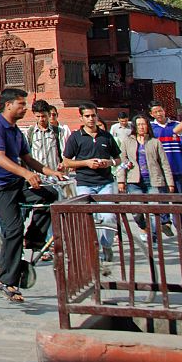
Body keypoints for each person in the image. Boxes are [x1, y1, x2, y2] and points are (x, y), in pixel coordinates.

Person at [0, 87, 64, 303]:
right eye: (21, 104)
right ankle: (6, 280)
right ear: (8, 105)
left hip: (14, 184)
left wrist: (50, 172)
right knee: (13, 228)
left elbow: (28, 158)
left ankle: (33, 238)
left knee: (49, 195)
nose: (25, 108)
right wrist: (26, 174)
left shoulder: (16, 131)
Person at [63, 103, 121, 255]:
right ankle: (92, 251)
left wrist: (109, 163)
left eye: (93, 115)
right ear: (81, 118)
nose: (91, 119)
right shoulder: (75, 137)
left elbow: (118, 159)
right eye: (87, 116)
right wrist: (86, 163)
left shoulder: (106, 136)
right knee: (87, 219)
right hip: (84, 184)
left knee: (108, 217)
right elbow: (67, 162)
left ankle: (106, 245)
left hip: (105, 183)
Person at [119, 114, 174, 236]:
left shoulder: (155, 142)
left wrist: (170, 183)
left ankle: (153, 237)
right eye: (138, 124)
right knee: (136, 210)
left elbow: (164, 163)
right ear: (134, 126)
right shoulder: (127, 142)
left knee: (154, 210)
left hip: (153, 180)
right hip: (134, 181)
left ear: (148, 126)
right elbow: (123, 162)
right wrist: (121, 181)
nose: (141, 127)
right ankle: (143, 226)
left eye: (143, 124)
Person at [149, 103, 182, 233]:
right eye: (155, 112)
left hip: (177, 166)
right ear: (151, 114)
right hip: (161, 169)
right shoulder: (151, 128)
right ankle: (165, 223)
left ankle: (179, 226)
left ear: (165, 110)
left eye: (160, 110)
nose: (159, 114)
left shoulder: (177, 125)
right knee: (163, 196)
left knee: (178, 198)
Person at [26, 100, 63, 172]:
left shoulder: (58, 131)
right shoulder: (30, 133)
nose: (41, 119)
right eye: (38, 116)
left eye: (43, 116)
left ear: (49, 114)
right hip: (38, 175)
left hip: (55, 174)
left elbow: (63, 153)